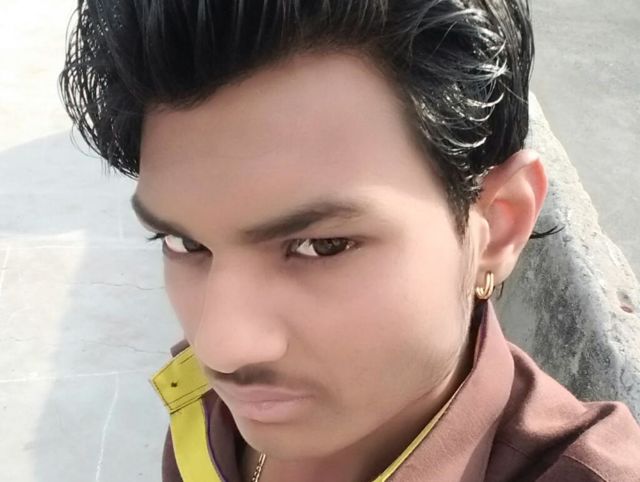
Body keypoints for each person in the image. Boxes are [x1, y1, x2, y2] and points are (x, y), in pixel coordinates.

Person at [59, 1, 640, 481]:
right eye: (186, 244)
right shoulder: (202, 407)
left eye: (322, 246)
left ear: (500, 225)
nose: (218, 347)